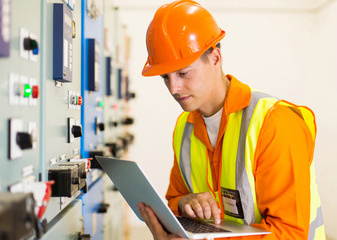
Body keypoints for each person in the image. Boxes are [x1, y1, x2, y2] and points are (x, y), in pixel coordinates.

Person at [138, 0, 326, 239]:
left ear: (215, 58)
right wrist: (186, 203)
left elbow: (290, 234)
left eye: (183, 73)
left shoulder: (274, 122)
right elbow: (175, 200)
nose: (174, 88)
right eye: (165, 77)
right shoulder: (184, 127)